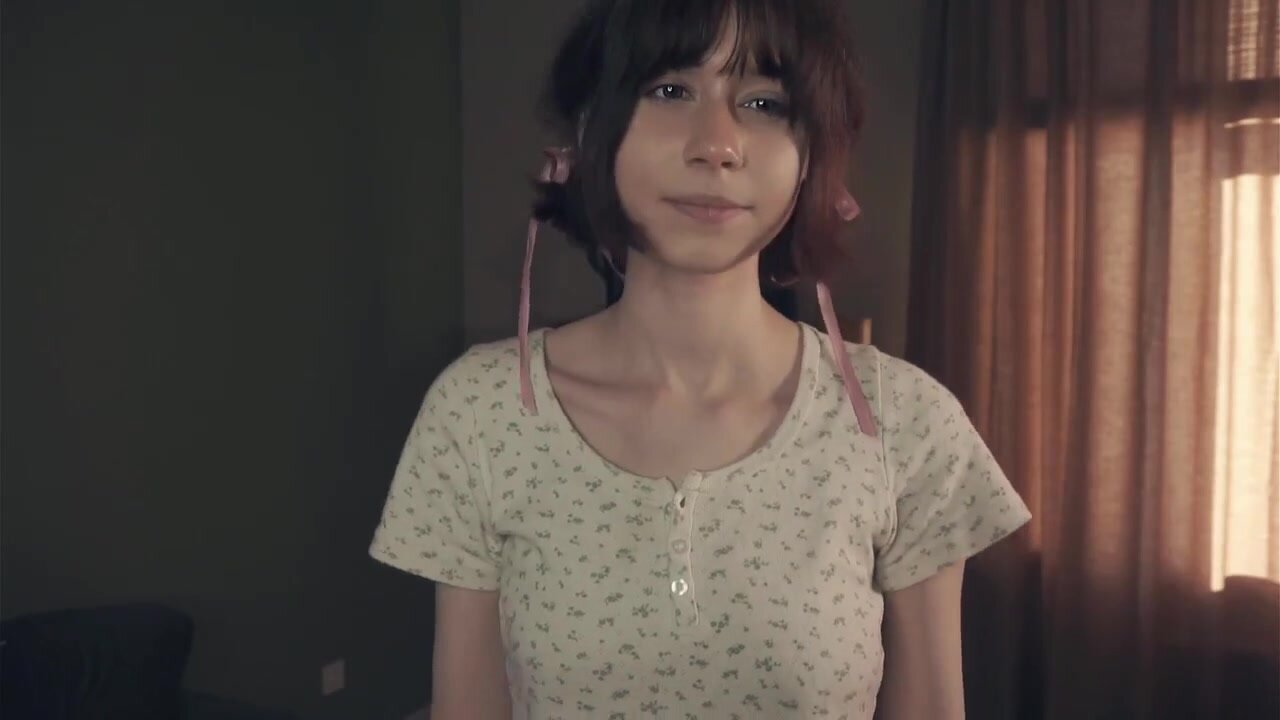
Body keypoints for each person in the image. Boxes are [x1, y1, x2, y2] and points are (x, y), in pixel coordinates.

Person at [369, 1, 1032, 718]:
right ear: (589, 128)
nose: (718, 145)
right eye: (670, 90)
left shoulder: (906, 421)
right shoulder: (480, 412)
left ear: (812, 156)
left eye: (764, 103)